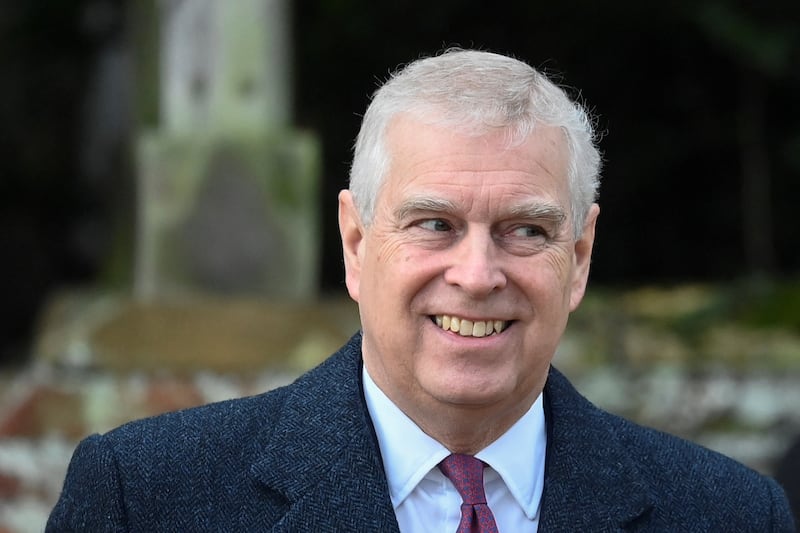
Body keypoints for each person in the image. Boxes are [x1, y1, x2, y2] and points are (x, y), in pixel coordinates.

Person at [47, 49, 794, 532]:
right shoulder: (145, 498)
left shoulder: (729, 514)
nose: (476, 275)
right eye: (434, 223)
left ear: (581, 254)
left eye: (525, 230)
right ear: (356, 242)